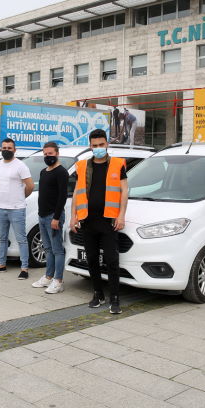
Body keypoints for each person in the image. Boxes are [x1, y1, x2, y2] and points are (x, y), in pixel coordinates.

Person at [70, 129, 129, 314]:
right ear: (90, 146)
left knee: (111, 260)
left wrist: (121, 215)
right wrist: (73, 216)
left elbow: (124, 191)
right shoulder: (82, 166)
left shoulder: (118, 164)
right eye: (94, 146)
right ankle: (98, 294)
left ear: (107, 144)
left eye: (101, 145)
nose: (98, 148)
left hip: (109, 221)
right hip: (87, 220)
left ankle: (115, 298)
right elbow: (76, 193)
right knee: (92, 260)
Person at [0, 138, 34, 279]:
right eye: (4, 148)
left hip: (17, 208)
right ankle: (1, 265)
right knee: (2, 238)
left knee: (21, 239)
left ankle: (24, 268)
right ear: (1, 149)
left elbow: (30, 186)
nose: (6, 150)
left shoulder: (20, 166)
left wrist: (20, 197)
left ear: (15, 150)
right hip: (1, 208)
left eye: (9, 148)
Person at [32, 141, 69, 294]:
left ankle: (58, 281)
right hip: (42, 216)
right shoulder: (43, 172)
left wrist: (56, 217)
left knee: (57, 249)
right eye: (45, 154)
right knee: (47, 248)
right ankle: (48, 276)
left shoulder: (61, 172)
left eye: (51, 154)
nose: (48, 157)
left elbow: (62, 197)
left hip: (54, 217)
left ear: (57, 153)